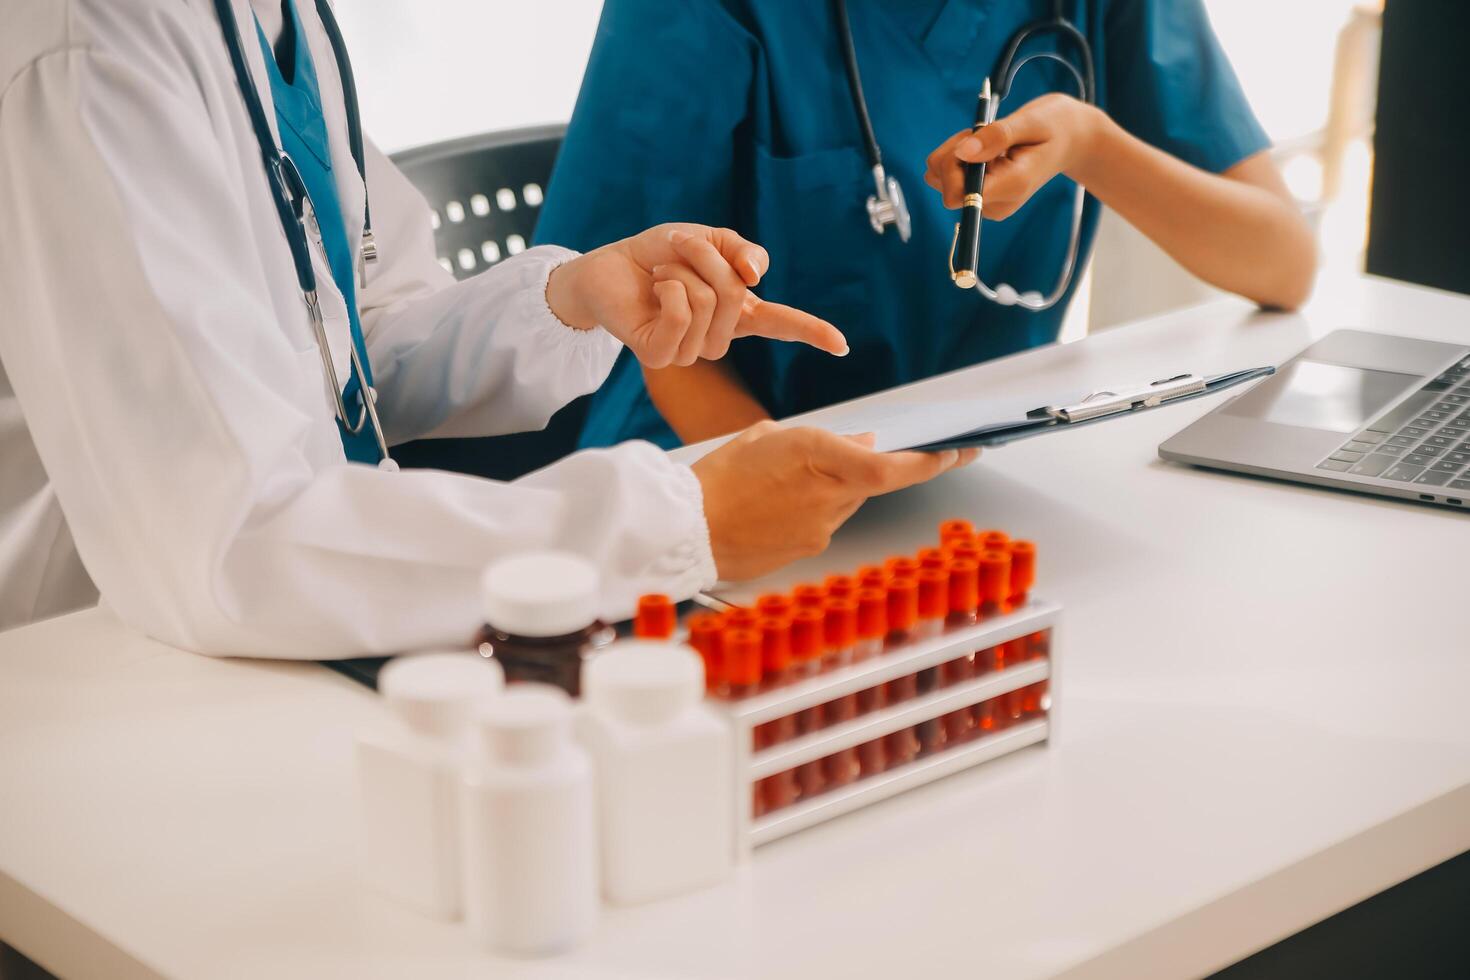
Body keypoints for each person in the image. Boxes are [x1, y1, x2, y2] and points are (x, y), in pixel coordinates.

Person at [0, 0, 971, 646]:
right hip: (93, 668)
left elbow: (346, 344)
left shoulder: (268, 14)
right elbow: (223, 536)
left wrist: (575, 299)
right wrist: (679, 520)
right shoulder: (88, 44)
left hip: (293, 626)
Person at [536, 0, 1316, 450]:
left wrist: (1092, 146)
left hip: (974, 465)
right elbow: (641, 327)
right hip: (712, 458)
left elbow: (1283, 265)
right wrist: (784, 480)